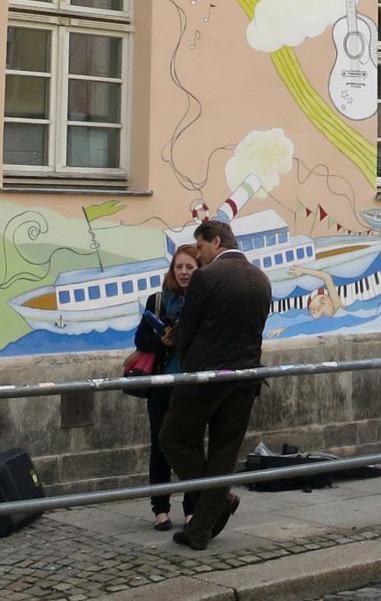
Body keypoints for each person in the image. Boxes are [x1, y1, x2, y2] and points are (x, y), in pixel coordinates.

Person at [162, 217, 272, 550]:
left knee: (173, 439)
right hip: (246, 378)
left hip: (206, 378)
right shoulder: (261, 279)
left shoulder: (206, 277)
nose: (199, 254)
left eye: (200, 246)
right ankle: (199, 530)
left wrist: (184, 357)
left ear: (216, 242)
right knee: (224, 453)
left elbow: (189, 330)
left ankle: (218, 500)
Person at [135, 244, 200, 531]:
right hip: (161, 383)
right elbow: (140, 340)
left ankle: (191, 509)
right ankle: (160, 509)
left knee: (191, 446)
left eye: (190, 267)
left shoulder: (203, 301)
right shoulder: (158, 301)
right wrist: (161, 342)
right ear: (172, 270)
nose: (184, 272)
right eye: (179, 267)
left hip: (191, 384)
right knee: (160, 445)